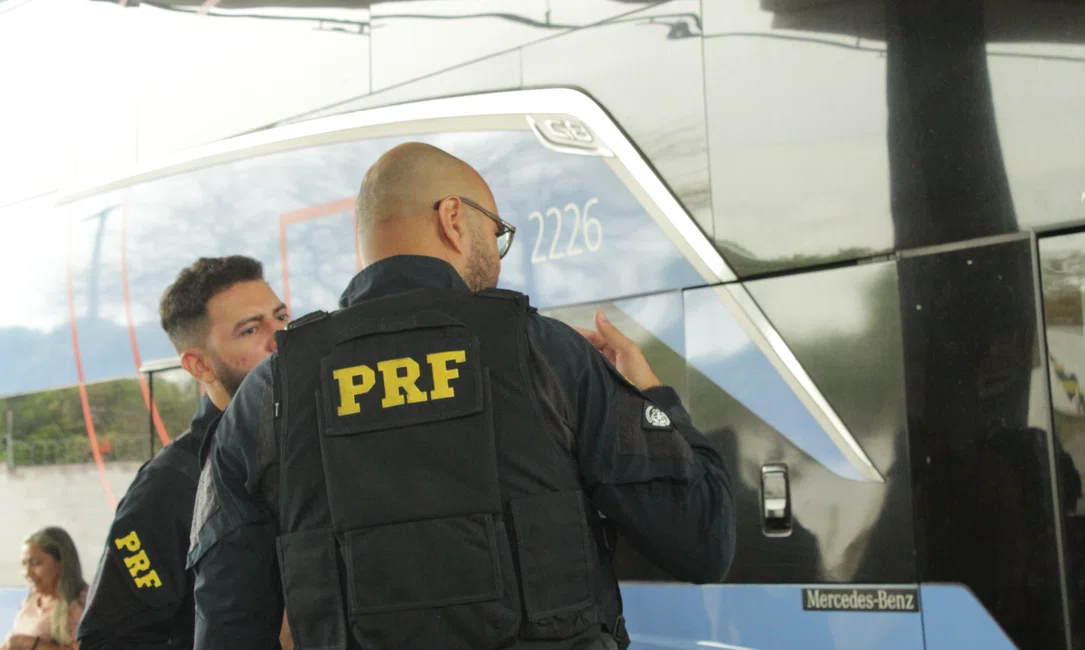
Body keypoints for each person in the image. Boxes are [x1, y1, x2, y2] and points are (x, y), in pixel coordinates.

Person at [188, 142, 737, 650]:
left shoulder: (267, 397)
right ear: (453, 219)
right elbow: (704, 539)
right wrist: (654, 395)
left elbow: (227, 620)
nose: (498, 256)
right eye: (495, 233)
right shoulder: (548, 354)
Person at [75, 256, 291, 650]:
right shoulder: (168, 487)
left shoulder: (314, 441)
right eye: (250, 329)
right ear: (199, 365)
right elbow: (109, 640)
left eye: (281, 317)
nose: (279, 337)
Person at [2, 527, 89, 650]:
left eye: (35, 563)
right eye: (24, 564)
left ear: (61, 563)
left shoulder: (79, 605)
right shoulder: (31, 600)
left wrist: (30, 643)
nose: (27, 573)